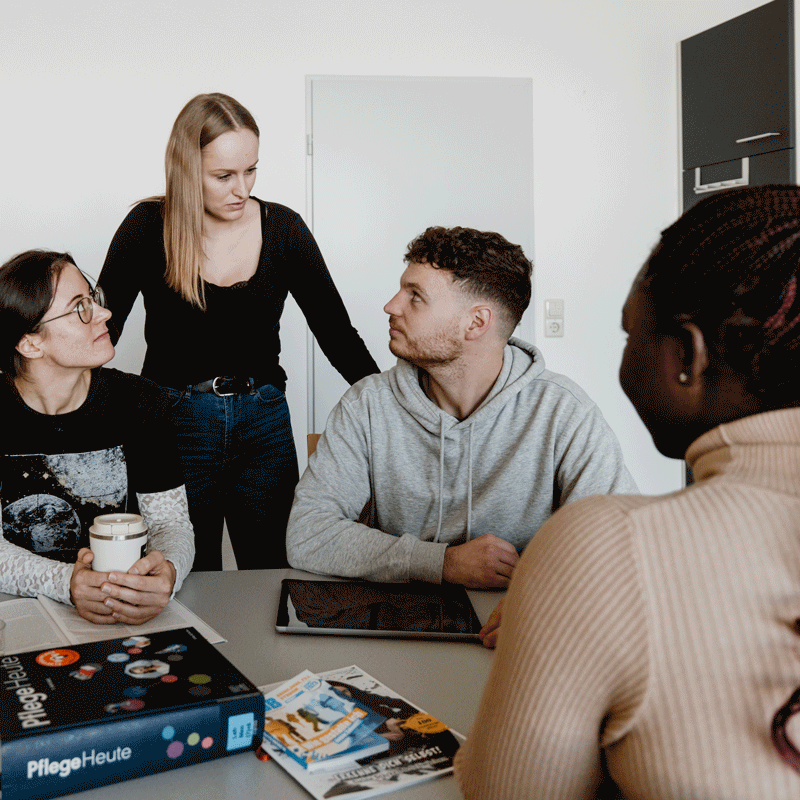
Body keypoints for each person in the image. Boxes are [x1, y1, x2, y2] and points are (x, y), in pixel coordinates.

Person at [454, 185, 800, 799]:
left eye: (628, 336)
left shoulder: (602, 543)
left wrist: (561, 607)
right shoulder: (368, 405)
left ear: (687, 357)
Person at [99, 92, 379, 571]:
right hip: (174, 422)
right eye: (224, 176)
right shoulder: (147, 227)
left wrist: (389, 410)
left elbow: (336, 332)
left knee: (275, 569)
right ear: (187, 170)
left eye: (251, 170)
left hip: (265, 420)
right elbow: (98, 334)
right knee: (189, 573)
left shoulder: (285, 229)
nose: (241, 188)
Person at [286, 225, 637, 606]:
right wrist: (442, 563)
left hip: (514, 623)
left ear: (476, 323)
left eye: (415, 296)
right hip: (397, 625)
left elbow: (620, 545)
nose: (391, 306)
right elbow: (308, 534)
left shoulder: (563, 411)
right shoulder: (365, 405)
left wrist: (540, 602)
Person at [0, 250, 194, 625]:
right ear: (30, 344)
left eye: (94, 299)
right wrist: (65, 582)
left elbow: (171, 524)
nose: (104, 314)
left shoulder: (141, 402)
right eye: (79, 308)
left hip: (124, 612)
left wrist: (168, 570)